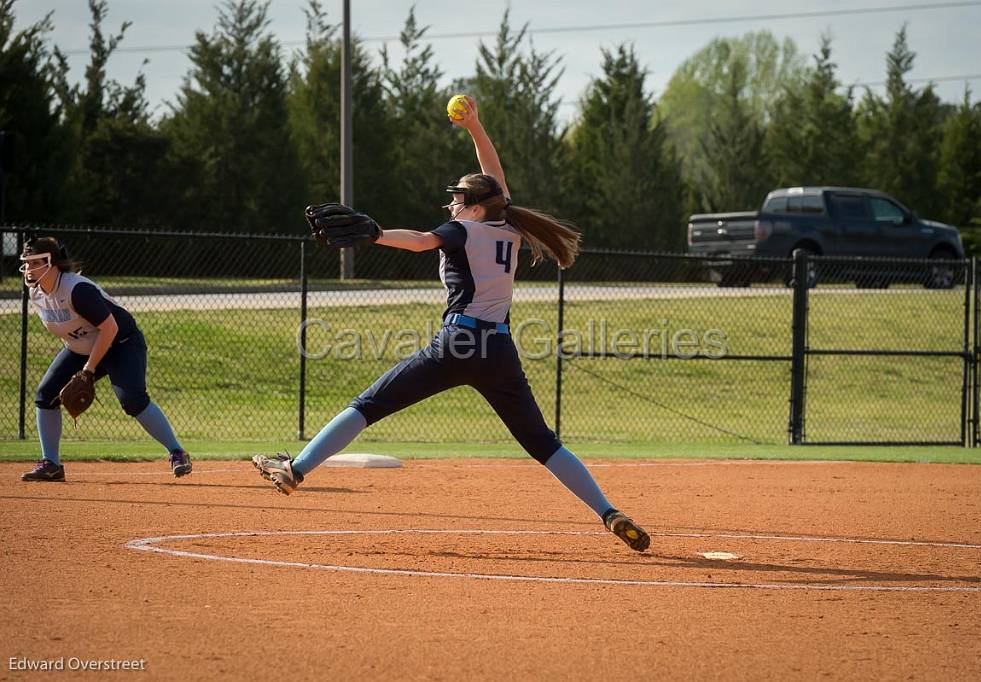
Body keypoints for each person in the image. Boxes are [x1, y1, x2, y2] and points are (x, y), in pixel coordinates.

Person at [253, 97, 650, 552]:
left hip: (457, 344)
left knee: (368, 405)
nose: (452, 204)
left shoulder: (465, 230)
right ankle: (607, 511)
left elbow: (423, 242)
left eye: (459, 198)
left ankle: (294, 469)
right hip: (499, 351)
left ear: (478, 207)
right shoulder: (508, 227)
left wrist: (377, 234)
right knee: (542, 442)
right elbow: (494, 181)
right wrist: (476, 128)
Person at [18, 237, 191, 481]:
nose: (28, 268)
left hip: (122, 343)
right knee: (46, 395)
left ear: (52, 263)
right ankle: (51, 464)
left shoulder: (77, 290)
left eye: (35, 262)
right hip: (82, 347)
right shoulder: (35, 293)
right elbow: (63, 326)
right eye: (26, 263)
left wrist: (88, 370)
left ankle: (177, 452)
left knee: (133, 400)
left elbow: (109, 329)